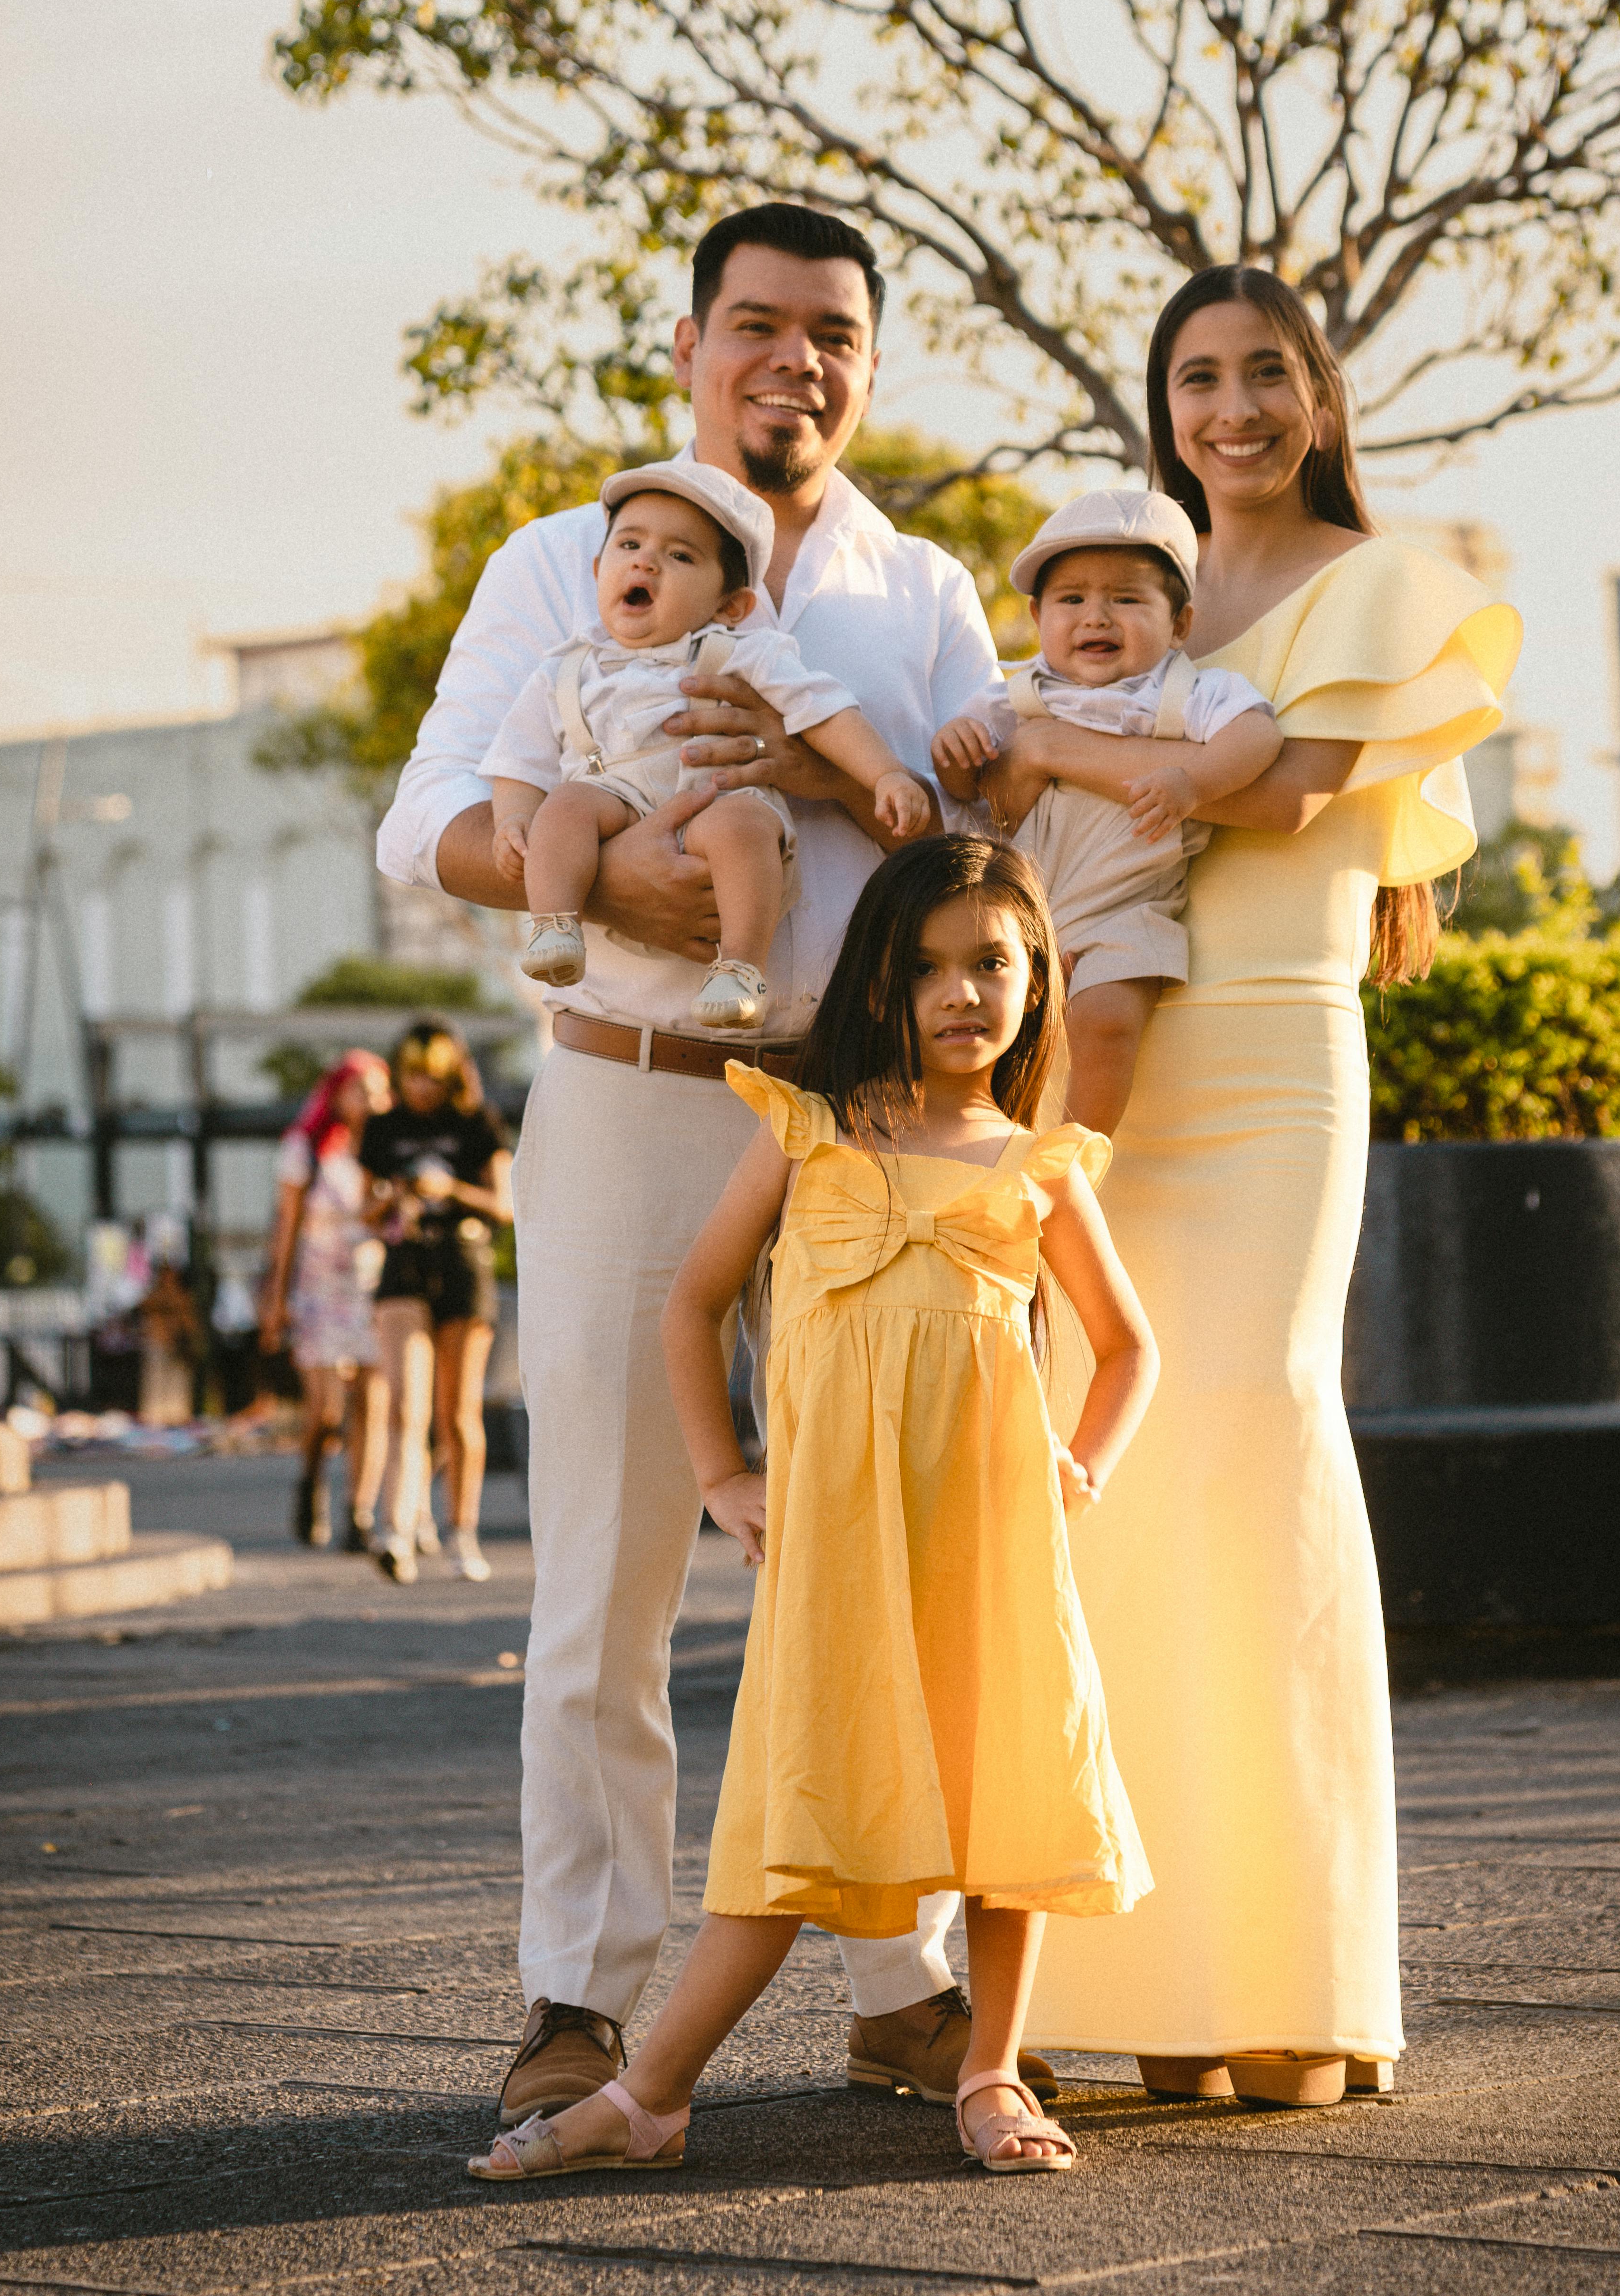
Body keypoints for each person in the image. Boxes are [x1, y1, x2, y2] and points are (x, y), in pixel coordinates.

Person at [376, 202, 1012, 2135]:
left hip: (858, 1121)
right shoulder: (565, 558)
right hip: (627, 1088)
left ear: (869, 369)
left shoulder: (922, 596)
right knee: (611, 1569)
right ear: (686, 346)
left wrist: (829, 778)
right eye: (756, 325)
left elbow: (981, 851)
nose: (791, 362)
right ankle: (581, 1992)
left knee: (880, 1559)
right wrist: (615, 872)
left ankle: (905, 1986)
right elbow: (423, 829)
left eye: (832, 334)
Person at [1014, 263, 1519, 2108]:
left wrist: (1055, 746)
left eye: (1261, 375)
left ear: (1318, 397)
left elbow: (1287, 794)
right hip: (1099, 1057)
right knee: (1114, 1475)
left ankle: (1303, 1987)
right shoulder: (1126, 594)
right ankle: (1156, 1981)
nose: (1226, 410)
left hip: (1272, 1072)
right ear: (1163, 406)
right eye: (1193, 379)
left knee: (1257, 1434)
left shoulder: (1379, 588)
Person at [472, 838, 1157, 2184]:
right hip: (839, 1551)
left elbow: (1129, 1345)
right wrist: (724, 1474)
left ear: (1038, 984)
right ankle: (654, 2091)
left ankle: (991, 2071)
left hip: (991, 1546)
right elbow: (692, 1301)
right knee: (799, 1806)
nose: (961, 993)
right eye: (923, 968)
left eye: (993, 965)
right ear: (877, 987)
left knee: (1007, 1793)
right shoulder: (813, 1132)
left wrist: (1083, 1463)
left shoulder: (1040, 1163)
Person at [487, 461, 931, 1031]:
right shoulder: (564, 671)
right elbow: (517, 762)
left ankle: (740, 969)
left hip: (714, 798)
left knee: (742, 825)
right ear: (600, 571)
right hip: (613, 805)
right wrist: (512, 821)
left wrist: (884, 774)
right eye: (630, 544)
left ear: (730, 607)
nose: (645, 561)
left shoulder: (741, 652)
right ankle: (555, 925)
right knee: (563, 807)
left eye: (680, 556)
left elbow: (824, 711)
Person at [931, 486, 1282, 1131]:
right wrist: (953, 752)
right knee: (986, 1039)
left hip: (1126, 911)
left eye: (1126, 598)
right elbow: (967, 793)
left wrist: (1193, 782)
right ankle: (987, 1149)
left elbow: (1258, 735)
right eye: (1073, 600)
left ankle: (1071, 1161)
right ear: (1038, 618)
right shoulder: (1013, 695)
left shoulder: (1190, 694)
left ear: (1180, 624)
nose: (1097, 617)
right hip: (1017, 917)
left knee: (1107, 1024)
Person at [358, 1021, 513, 1586]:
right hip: (405, 1262)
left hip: (464, 1263)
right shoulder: (383, 1128)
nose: (420, 1087)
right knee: (405, 1404)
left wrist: (450, 1191)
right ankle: (395, 1530)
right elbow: (364, 1210)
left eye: (431, 1077)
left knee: (458, 1413)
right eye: (412, 1076)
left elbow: (504, 1206)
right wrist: (396, 1196)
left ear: (451, 1076)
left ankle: (462, 1532)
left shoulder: (476, 1124)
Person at [257, 1049, 393, 1548]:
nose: (372, 1101)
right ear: (336, 1094)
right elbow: (286, 1228)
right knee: (329, 1409)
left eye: (380, 1090)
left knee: (372, 1404)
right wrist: (275, 1296)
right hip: (317, 1289)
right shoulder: (307, 1150)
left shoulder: (386, 1151)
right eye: (361, 1090)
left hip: (375, 1287)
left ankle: (359, 1512)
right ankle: (311, 1478)